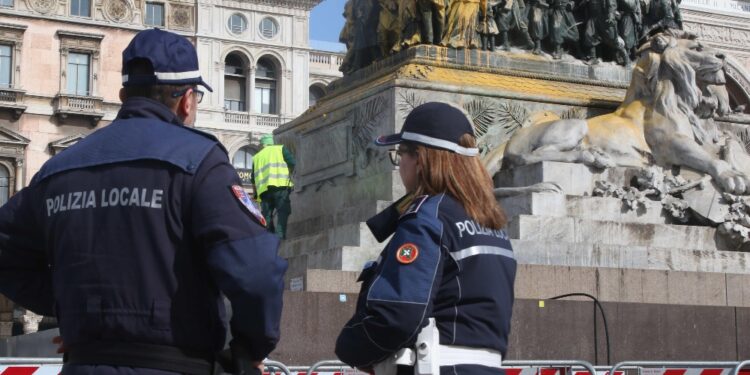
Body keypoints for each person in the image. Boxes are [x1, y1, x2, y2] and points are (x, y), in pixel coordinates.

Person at [0, 28, 287, 374]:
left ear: (123, 94)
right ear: (187, 100)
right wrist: (249, 348)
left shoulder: (58, 170)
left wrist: (71, 306)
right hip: (176, 364)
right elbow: (256, 272)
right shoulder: (200, 162)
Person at [335, 102, 517, 375]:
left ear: (419, 159)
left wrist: (350, 345)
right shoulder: (493, 223)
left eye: (400, 156)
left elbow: (400, 313)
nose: (400, 165)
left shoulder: (428, 217)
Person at [252, 134, 295, 240]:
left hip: (264, 191)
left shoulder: (256, 157)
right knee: (283, 211)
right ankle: (280, 235)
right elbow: (292, 163)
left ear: (263, 144)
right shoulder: (280, 149)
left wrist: (255, 194)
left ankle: (270, 238)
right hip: (280, 186)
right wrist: (290, 174)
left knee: (266, 215)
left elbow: (253, 179)